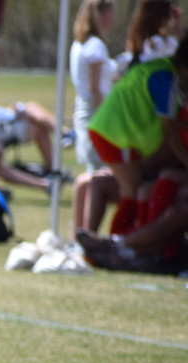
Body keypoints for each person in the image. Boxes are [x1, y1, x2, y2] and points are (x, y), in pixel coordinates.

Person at [87, 38, 188, 236]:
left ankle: (120, 243)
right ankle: (119, 243)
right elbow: (168, 129)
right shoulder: (164, 76)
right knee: (133, 192)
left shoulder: (160, 66)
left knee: (133, 189)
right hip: (115, 133)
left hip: (110, 130)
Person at [70, 0, 116, 174]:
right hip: (94, 112)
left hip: (85, 110)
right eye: (111, 13)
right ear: (102, 15)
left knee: (94, 172)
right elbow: (94, 88)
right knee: (98, 173)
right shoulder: (95, 45)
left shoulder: (80, 43)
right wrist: (103, 120)